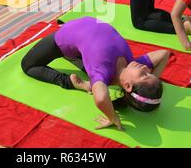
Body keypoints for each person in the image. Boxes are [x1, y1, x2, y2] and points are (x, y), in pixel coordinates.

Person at [21, 16, 170, 129]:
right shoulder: (133, 65)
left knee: (27, 65)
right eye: (149, 72)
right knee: (88, 60)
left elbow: (100, 98)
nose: (145, 69)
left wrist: (112, 118)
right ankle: (77, 56)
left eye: (144, 75)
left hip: (63, 39)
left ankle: (70, 82)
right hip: (82, 35)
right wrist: (152, 80)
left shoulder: (101, 71)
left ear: (128, 86)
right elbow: (164, 54)